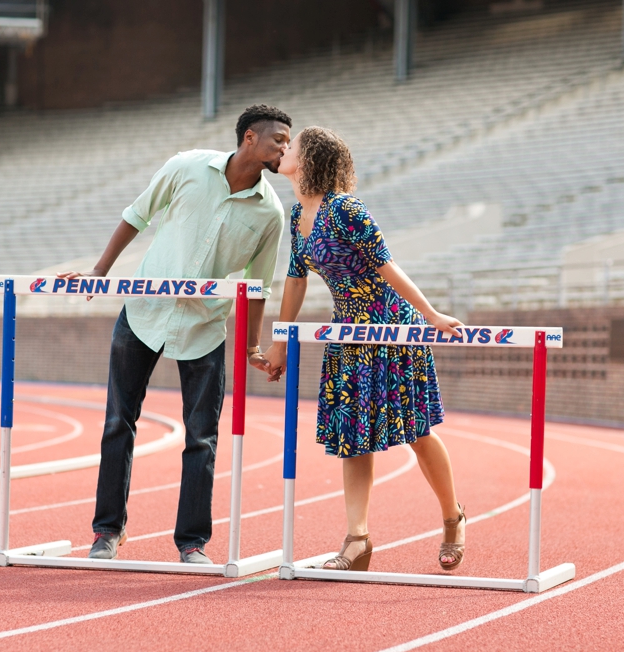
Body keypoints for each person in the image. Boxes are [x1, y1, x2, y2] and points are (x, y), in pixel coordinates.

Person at [59, 104, 291, 563]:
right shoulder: (186, 167)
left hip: (205, 327)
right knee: (116, 423)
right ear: (249, 137)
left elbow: (257, 286)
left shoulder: (271, 213)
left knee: (202, 436)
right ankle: (107, 532)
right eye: (278, 140)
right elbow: (136, 215)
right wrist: (99, 271)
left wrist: (250, 345)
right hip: (143, 313)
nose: (286, 148)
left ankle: (191, 543)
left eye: (288, 141)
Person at [263, 126, 467, 572]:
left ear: (310, 158)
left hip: (392, 328)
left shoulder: (346, 210)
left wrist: (431, 315)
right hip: (348, 334)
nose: (284, 150)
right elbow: (296, 280)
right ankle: (357, 541)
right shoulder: (298, 216)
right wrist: (280, 341)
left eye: (291, 146)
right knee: (353, 438)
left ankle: (453, 517)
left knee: (416, 431)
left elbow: (387, 265)